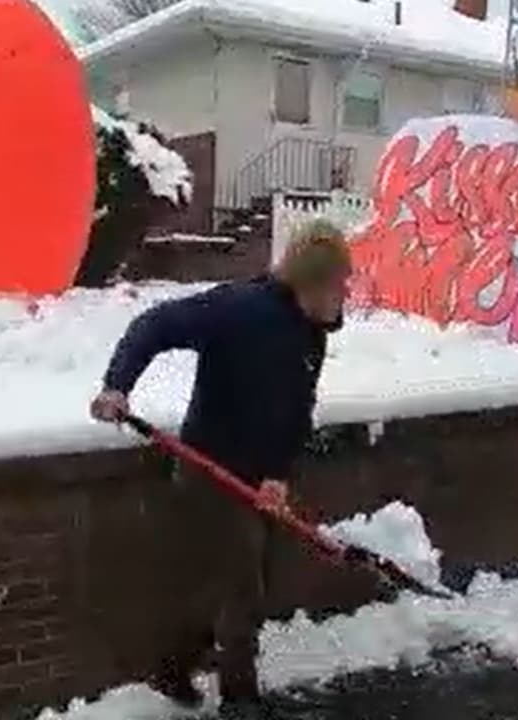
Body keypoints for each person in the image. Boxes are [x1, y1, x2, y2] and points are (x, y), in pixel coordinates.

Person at [88, 220, 352, 717]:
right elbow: (153, 326)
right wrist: (118, 386)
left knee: (235, 578)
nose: (345, 296)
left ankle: (173, 667)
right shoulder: (238, 310)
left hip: (257, 478)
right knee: (243, 588)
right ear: (310, 283)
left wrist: (278, 474)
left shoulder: (309, 332)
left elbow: (296, 410)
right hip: (209, 469)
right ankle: (240, 698)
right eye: (338, 285)